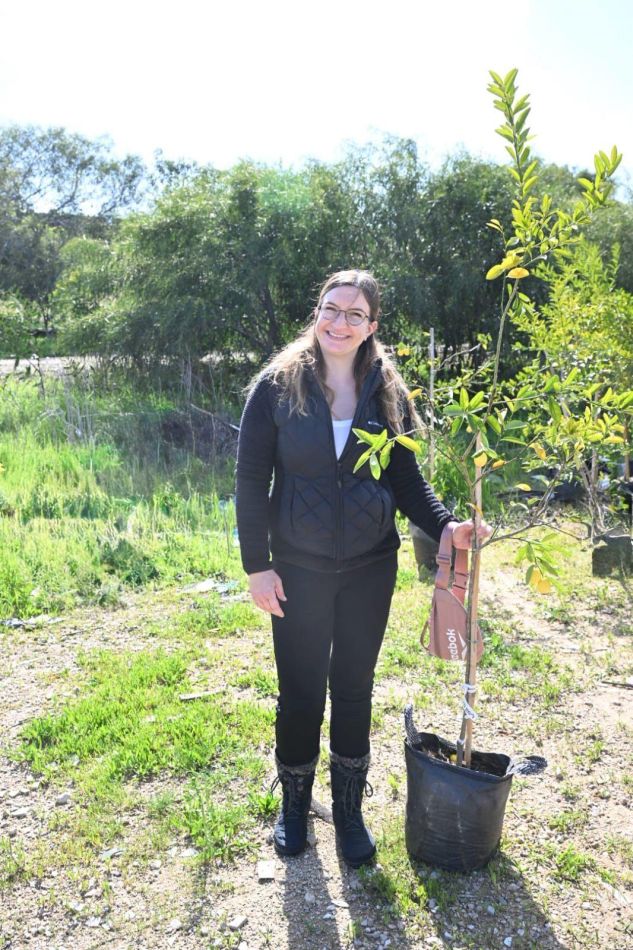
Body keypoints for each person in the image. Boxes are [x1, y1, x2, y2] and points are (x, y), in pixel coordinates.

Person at [236, 269, 489, 868]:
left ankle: (348, 812)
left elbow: (405, 479)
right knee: (300, 693)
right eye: (331, 308)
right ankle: (294, 806)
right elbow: (250, 483)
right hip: (295, 569)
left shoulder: (387, 394)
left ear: (372, 326)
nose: (339, 322)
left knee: (352, 690)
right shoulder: (275, 388)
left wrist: (448, 527)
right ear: (316, 313)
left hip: (370, 567)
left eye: (354, 314)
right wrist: (257, 568)